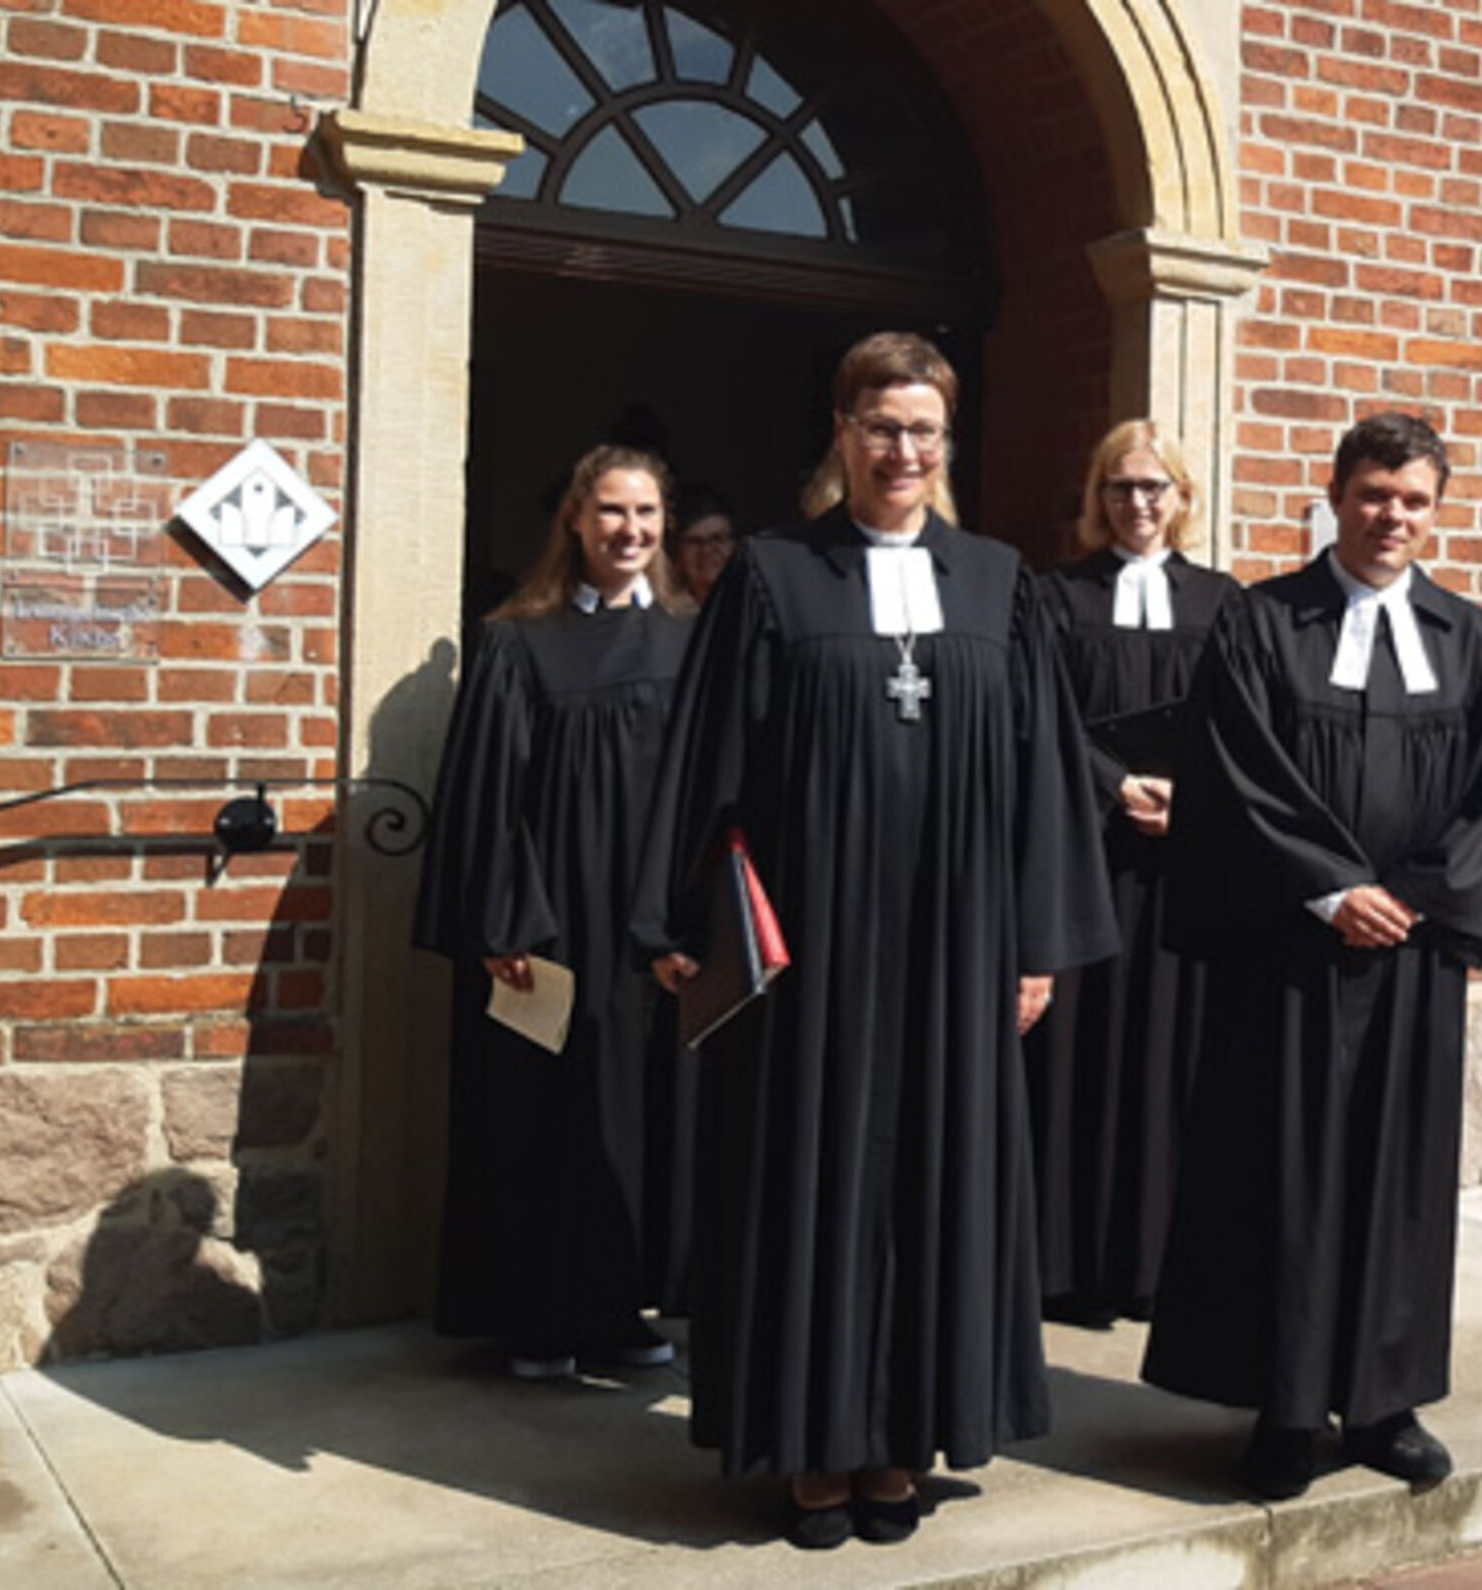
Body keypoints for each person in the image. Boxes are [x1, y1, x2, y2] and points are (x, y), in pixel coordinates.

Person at [634, 332, 1117, 1550]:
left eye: (923, 430)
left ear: (946, 445)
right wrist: (679, 917)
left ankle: (903, 1439)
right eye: (879, 426)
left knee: (932, 1185)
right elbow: (708, 760)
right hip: (817, 949)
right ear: (841, 433)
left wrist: (1036, 944)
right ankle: (814, 1443)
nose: (901, 450)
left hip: (959, 949)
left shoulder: (999, 582)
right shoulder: (772, 575)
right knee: (815, 1182)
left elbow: (1045, 776)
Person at [1140, 412, 1482, 1501]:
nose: (1390, 517)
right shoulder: (1262, 624)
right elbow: (1237, 775)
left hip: (1408, 963)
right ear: (1334, 496)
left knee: (1396, 1182)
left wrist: (1405, 899)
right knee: (1283, 1175)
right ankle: (1279, 1407)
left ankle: (1381, 1403)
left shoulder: (1473, 642)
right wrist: (1330, 888)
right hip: (1289, 954)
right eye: (1372, 495)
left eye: (1412, 500)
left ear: (1435, 510)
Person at [414, 444, 696, 1380]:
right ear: (575, 519)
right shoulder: (518, 641)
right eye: (612, 512)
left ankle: (621, 1308)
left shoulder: (694, 642)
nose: (630, 531)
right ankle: (536, 1317)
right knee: (541, 1116)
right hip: (550, 929)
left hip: (652, 935)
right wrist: (505, 928)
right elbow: (489, 796)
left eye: (647, 514)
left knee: (638, 1121)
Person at [1026, 421, 1240, 1328]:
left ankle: (1159, 1265)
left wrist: (1191, 797)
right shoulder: (1053, 598)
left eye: (1155, 487)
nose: (1138, 503)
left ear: (1183, 498)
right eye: (1120, 487)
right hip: (1085, 852)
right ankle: (1067, 1264)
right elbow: (1036, 715)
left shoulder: (1224, 602)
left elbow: (1245, 725)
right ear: (1097, 497)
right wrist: (1116, 786)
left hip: (1182, 864)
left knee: (1170, 1054)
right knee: (1081, 1051)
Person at [669, 485, 735, 604]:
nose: (706, 550)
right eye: (694, 542)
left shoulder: (755, 610)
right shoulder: (661, 616)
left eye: (717, 539)